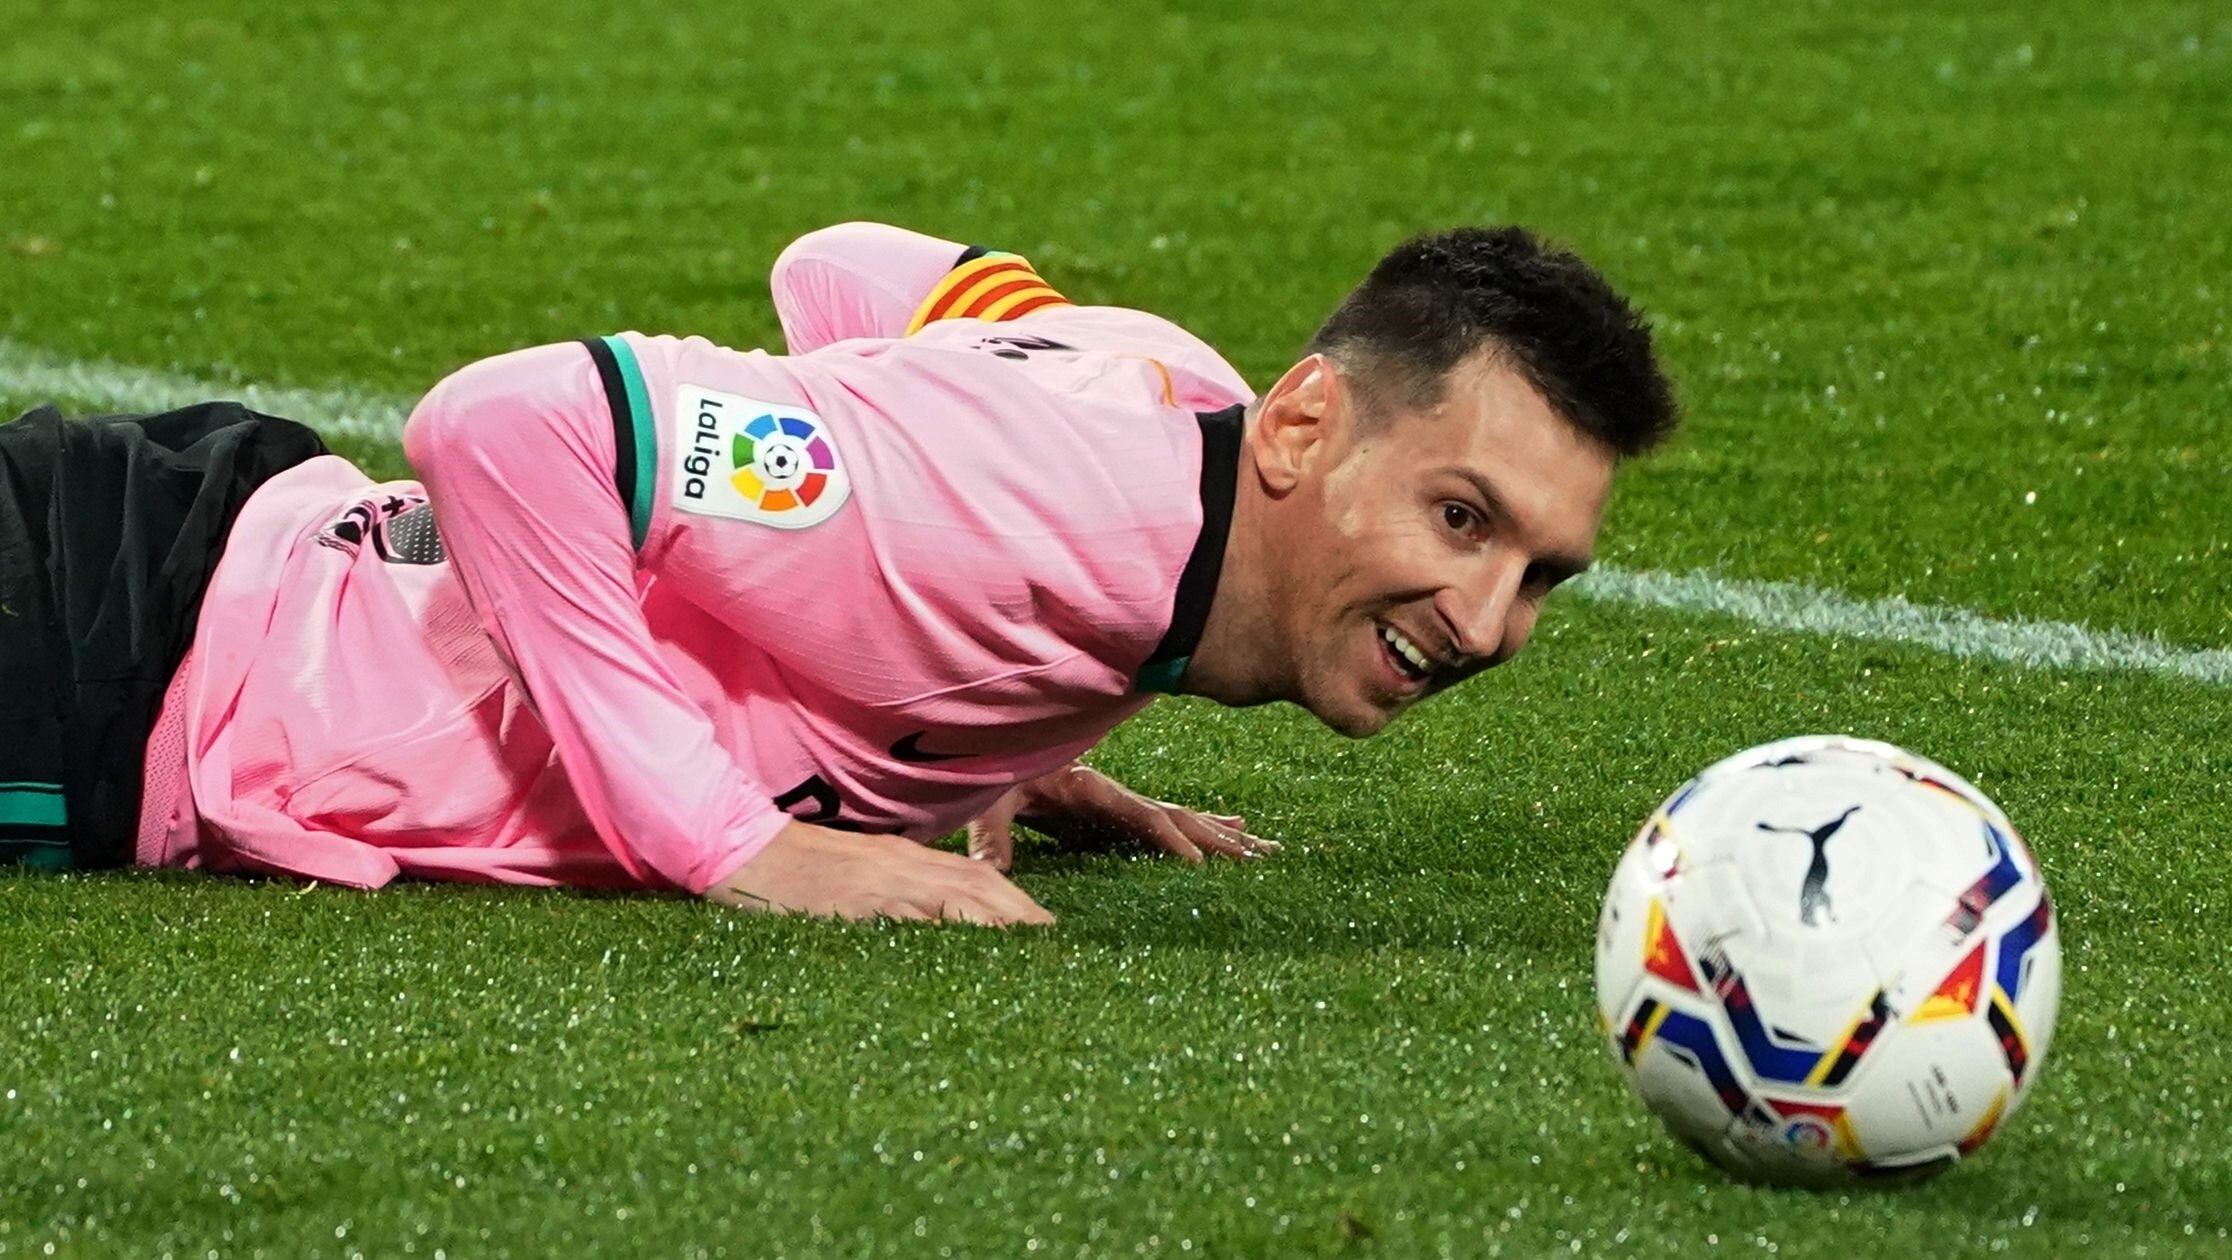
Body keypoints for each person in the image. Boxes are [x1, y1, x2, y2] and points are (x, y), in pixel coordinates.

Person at [0, 222, 1677, 925]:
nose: (1486, 623)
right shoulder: (1008, 520)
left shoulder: (1175, 390)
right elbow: (508, 428)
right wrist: (735, 845)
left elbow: (850, 274)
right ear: (1309, 426)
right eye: (1464, 521)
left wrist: (979, 730)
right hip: (115, 664)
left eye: (1543, 574)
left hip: (214, 546)